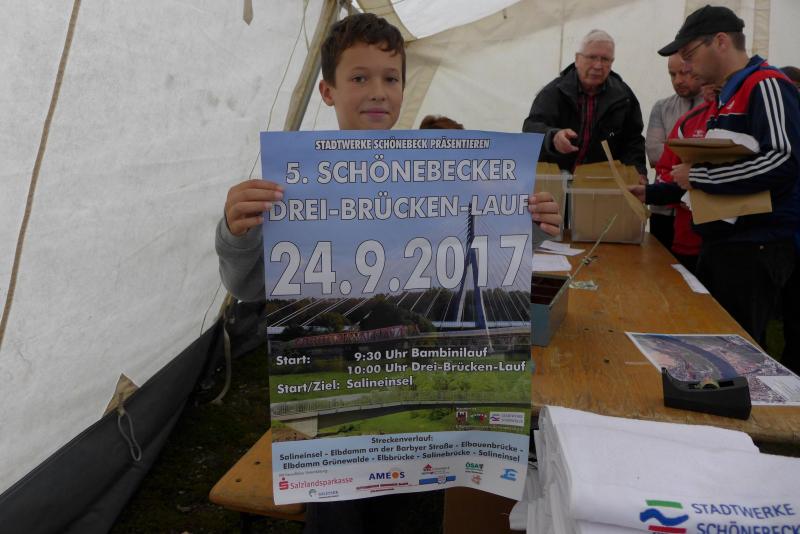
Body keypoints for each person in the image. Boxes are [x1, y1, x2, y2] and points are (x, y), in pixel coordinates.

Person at [215, 13, 561, 533]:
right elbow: (247, 286)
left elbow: (487, 256)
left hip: (420, 417)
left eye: (391, 78)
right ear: (328, 91)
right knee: (337, 521)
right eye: (359, 77)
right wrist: (236, 233)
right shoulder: (291, 185)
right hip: (331, 427)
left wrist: (531, 226)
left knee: (413, 516)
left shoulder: (444, 175)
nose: (378, 91)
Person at [657, 5, 800, 345]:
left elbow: (783, 159)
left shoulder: (766, 84)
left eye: (689, 54)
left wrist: (700, 177)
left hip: (754, 245)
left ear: (721, 42)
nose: (686, 66)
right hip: (726, 243)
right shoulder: (730, 93)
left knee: (738, 348)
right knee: (717, 342)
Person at [522, 29, 646, 177]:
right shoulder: (555, 91)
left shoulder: (623, 96)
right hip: (554, 180)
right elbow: (530, 128)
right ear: (577, 59)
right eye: (592, 57)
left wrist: (637, 173)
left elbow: (633, 141)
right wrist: (553, 137)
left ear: (612, 62)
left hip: (600, 182)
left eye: (605, 59)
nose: (598, 65)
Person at [630, 83, 718, 273]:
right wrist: (648, 193)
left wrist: (694, 177)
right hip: (688, 236)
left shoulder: (747, 115)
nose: (710, 87)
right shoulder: (688, 120)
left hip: (735, 243)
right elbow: (667, 169)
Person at [645, 54, 704, 250]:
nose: (678, 80)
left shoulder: (714, 106)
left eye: (684, 73)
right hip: (661, 207)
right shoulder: (662, 107)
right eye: (672, 74)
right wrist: (692, 159)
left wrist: (673, 153)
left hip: (696, 208)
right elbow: (654, 153)